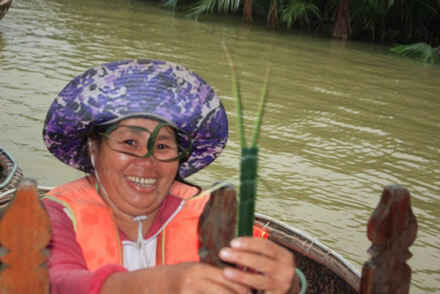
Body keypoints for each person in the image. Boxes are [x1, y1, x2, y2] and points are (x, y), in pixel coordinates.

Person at [41, 59, 296, 294]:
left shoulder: (210, 213)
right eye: (130, 142)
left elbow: (264, 275)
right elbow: (56, 281)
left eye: (162, 147)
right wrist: (165, 283)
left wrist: (289, 283)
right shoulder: (55, 214)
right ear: (93, 149)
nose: (147, 162)